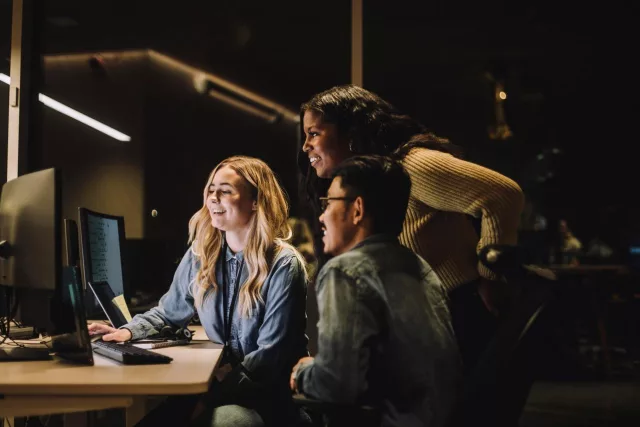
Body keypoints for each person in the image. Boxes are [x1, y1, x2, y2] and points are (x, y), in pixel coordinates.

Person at [298, 84, 524, 372]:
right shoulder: (370, 183)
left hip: (459, 318)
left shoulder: (413, 165)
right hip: (422, 326)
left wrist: (491, 278)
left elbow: (504, 195)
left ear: (351, 132)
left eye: (314, 133)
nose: (306, 146)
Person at [89, 156, 308, 427]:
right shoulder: (202, 255)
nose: (213, 197)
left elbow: (267, 361)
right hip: (221, 387)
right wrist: (128, 331)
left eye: (226, 190)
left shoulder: (284, 265)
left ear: (256, 201)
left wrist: (207, 399)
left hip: (266, 401)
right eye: (211, 189)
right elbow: (169, 313)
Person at [290, 155, 460, 427]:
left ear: (357, 209)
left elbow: (337, 383)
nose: (321, 217)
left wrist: (302, 373)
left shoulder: (345, 271)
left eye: (329, 203)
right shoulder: (420, 266)